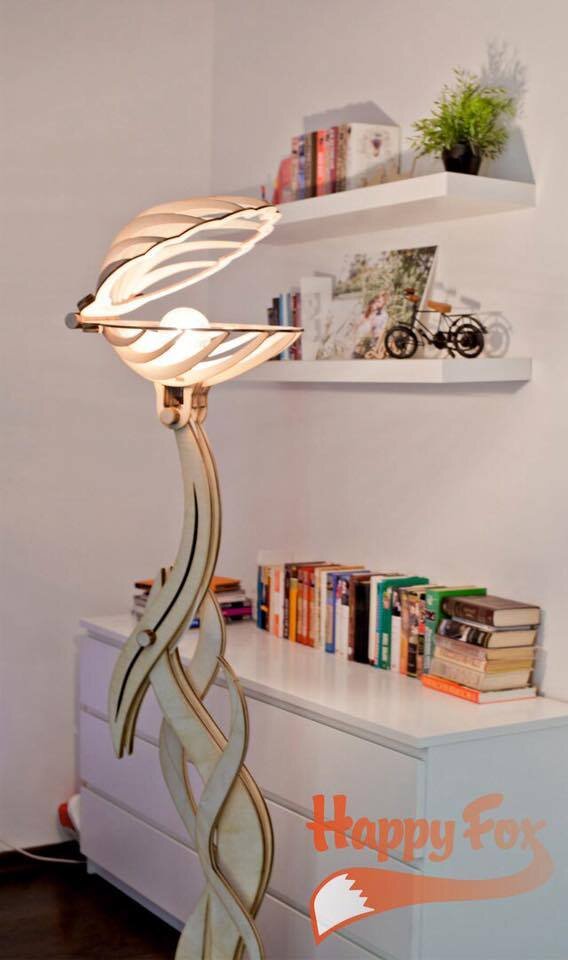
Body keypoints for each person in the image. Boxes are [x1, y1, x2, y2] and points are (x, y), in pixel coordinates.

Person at [352, 291, 390, 358]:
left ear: (384, 303)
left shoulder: (384, 315)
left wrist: (376, 347)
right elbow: (358, 324)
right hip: (365, 339)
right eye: (377, 301)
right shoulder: (368, 314)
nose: (377, 304)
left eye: (380, 302)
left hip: (376, 341)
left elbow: (382, 332)